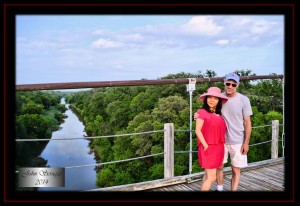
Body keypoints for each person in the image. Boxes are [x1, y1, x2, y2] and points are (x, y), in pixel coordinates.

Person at [194, 72, 253, 191]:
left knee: (235, 169)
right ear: (224, 83)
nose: (230, 86)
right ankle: (219, 189)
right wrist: (197, 115)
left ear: (238, 85)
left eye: (233, 84)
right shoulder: (218, 97)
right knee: (219, 167)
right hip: (220, 142)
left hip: (237, 140)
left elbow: (247, 122)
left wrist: (246, 142)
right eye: (228, 83)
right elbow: (207, 110)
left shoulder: (243, 99)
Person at [195, 86, 228, 191]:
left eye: (215, 98)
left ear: (219, 100)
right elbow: (198, 130)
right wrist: (205, 146)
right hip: (208, 147)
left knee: (208, 175)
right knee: (212, 177)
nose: (212, 100)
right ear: (206, 99)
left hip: (218, 148)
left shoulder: (219, 114)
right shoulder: (201, 112)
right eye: (210, 97)